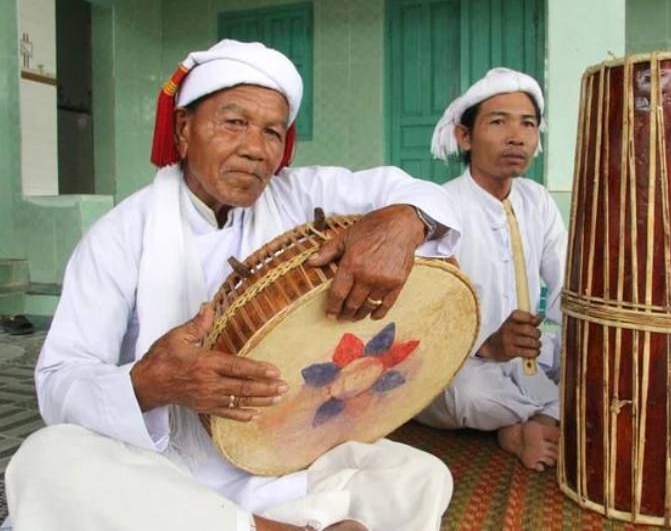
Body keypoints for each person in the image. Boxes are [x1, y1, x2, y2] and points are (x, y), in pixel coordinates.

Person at [5, 40, 461, 531]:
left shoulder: (301, 196)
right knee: (48, 459)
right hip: (164, 468)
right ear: (184, 129)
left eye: (271, 131)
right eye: (234, 122)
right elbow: (59, 380)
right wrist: (147, 384)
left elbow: (420, 194)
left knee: (420, 474)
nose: (254, 148)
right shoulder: (120, 235)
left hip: (284, 456)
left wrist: (405, 221)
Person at [416, 68, 566, 472]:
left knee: (601, 367)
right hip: (460, 365)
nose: (517, 136)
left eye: (528, 124)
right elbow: (418, 321)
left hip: (528, 357)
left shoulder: (538, 201)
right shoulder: (439, 208)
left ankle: (522, 423)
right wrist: (487, 345)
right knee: (467, 395)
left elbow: (566, 287)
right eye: (499, 122)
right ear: (465, 136)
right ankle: (536, 420)